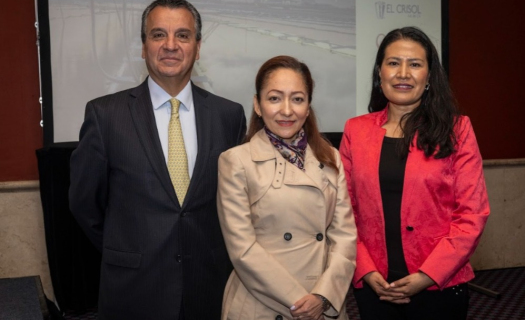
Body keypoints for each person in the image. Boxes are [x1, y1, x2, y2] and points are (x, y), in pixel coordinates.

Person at [69, 0, 246, 319]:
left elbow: (238, 203)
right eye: (158, 34)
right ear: (143, 46)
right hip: (134, 289)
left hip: (210, 288)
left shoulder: (228, 116)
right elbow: (85, 204)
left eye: (182, 35)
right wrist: (129, 249)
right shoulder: (105, 115)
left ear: (197, 46)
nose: (170, 45)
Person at [339, 26, 490, 320]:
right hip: (375, 287)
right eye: (393, 63)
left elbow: (472, 215)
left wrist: (427, 275)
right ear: (379, 72)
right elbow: (344, 212)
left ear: (429, 77)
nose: (403, 73)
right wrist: (366, 270)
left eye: (415, 64)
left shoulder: (457, 129)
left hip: (439, 287)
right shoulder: (355, 131)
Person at [216, 55, 357, 320]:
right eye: (274, 98)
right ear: (257, 105)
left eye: (297, 99)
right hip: (263, 304)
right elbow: (242, 249)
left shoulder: (329, 157)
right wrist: (299, 301)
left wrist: (323, 296)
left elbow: (345, 237)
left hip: (322, 305)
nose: (287, 110)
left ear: (308, 106)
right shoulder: (236, 161)